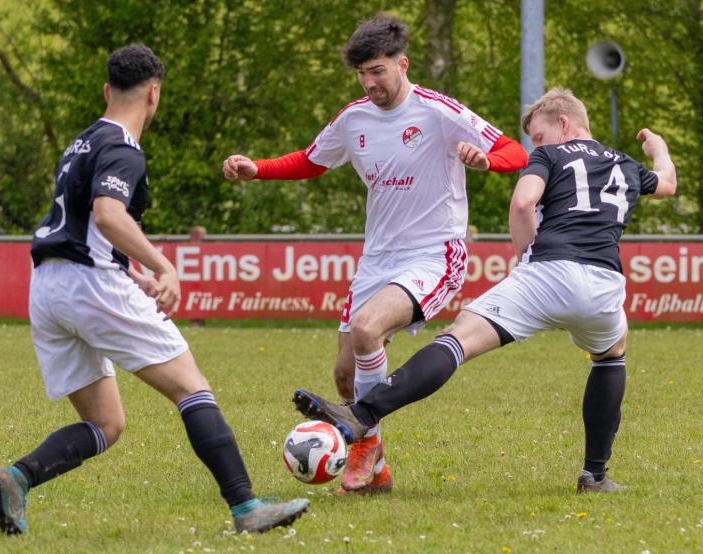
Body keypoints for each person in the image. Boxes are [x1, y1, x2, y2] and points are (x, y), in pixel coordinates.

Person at [0, 44, 308, 536]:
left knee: (107, 423)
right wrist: (163, 265)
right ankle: (246, 508)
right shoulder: (123, 148)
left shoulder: (84, 142)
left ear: (107, 90)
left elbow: (82, 233)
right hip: (88, 287)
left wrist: (135, 275)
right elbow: (108, 216)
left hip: (49, 289)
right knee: (191, 388)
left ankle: (17, 478)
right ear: (154, 93)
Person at [292, 87, 678, 493]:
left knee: (456, 340)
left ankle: (362, 414)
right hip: (604, 284)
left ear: (564, 123)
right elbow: (667, 184)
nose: (537, 145)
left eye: (540, 136)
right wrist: (659, 148)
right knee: (610, 356)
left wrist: (526, 257)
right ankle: (595, 476)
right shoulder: (626, 164)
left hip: (547, 273)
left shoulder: (550, 156)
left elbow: (523, 203)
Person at [221, 14, 527, 495]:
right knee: (345, 372)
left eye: (378, 71)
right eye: (362, 74)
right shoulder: (354, 117)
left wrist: (486, 159)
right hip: (378, 257)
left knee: (367, 328)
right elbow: (310, 160)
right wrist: (255, 169)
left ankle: (360, 446)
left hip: (434, 252)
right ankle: (376, 471)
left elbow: (516, 151)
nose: (369, 83)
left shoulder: (437, 111)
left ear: (402, 64)